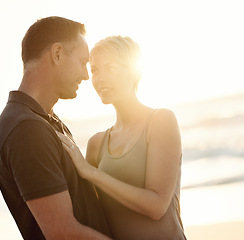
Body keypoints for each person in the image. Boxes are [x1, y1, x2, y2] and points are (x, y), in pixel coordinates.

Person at [0, 16, 112, 240]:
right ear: (57, 54)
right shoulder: (26, 129)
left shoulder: (44, 119)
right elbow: (62, 233)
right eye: (82, 61)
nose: (86, 75)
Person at [57, 35, 186, 240]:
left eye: (111, 68)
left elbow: (157, 206)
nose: (100, 79)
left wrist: (91, 172)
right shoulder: (96, 144)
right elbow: (90, 212)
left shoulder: (161, 121)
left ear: (133, 71)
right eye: (95, 71)